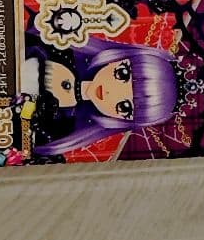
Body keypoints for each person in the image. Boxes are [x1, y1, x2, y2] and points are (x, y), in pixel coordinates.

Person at [21, 30, 179, 156]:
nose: (111, 92)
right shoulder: (63, 49)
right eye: (122, 74)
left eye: (125, 107)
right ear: (119, 58)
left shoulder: (64, 127)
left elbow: (22, 142)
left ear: (122, 121)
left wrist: (27, 112)